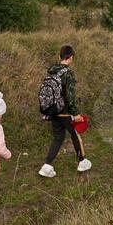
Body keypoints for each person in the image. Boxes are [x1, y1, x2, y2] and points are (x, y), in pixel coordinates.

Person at [39, 45, 92, 177]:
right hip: (65, 111)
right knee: (75, 134)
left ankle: (47, 165)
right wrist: (76, 113)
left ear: (60, 57)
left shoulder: (51, 72)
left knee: (58, 137)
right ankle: (82, 161)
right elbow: (70, 96)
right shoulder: (68, 73)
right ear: (71, 57)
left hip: (53, 110)